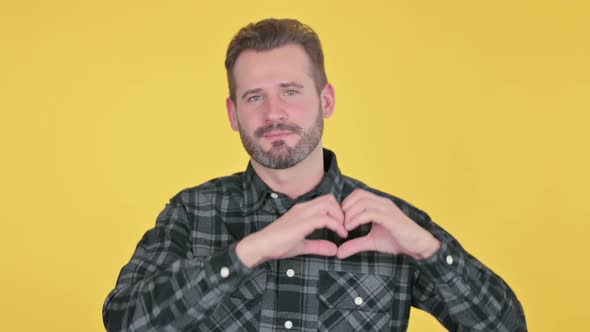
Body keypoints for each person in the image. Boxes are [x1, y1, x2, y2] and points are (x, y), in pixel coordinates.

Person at [103, 18, 527, 331]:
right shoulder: (193, 212)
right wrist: (247, 253)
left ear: (326, 100)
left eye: (290, 91)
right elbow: (123, 321)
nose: (274, 114)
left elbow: (505, 326)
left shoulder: (388, 222)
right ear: (233, 114)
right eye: (255, 97)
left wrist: (427, 249)